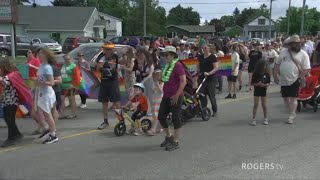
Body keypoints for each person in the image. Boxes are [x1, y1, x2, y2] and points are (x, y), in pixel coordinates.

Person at [274, 35, 311, 124]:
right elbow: (277, 64)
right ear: (290, 44)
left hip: (295, 79)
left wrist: (301, 77)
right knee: (285, 99)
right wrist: (275, 76)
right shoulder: (283, 52)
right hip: (283, 80)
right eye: (294, 44)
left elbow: (306, 68)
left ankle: (290, 116)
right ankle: (292, 111)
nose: (297, 45)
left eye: (298, 43)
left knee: (293, 98)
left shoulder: (303, 54)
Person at [158, 46, 187, 151]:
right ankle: (169, 136)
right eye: (164, 55)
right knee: (161, 116)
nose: (165, 57)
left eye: (167, 55)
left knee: (176, 119)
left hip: (176, 96)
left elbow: (183, 81)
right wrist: (160, 78)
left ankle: (176, 141)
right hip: (166, 95)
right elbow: (166, 79)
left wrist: (176, 95)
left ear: (172, 55)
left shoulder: (178, 65)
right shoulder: (167, 65)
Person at [0, 58, 32, 147]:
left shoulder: (10, 76)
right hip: (8, 101)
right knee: (9, 119)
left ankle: (11, 138)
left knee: (9, 119)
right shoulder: (13, 74)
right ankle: (17, 134)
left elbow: (4, 82)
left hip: (11, 101)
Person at [97, 42, 121, 130]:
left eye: (109, 49)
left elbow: (115, 66)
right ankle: (105, 121)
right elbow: (97, 67)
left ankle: (120, 120)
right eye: (106, 49)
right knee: (104, 102)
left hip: (113, 82)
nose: (107, 51)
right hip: (104, 81)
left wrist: (104, 65)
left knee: (117, 101)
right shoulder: (101, 57)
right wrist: (101, 65)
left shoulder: (115, 57)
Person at [36, 48, 58, 144]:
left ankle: (53, 135)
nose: (39, 55)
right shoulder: (41, 65)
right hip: (42, 92)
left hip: (47, 93)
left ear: (45, 55)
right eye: (39, 53)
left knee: (48, 115)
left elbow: (52, 82)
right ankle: (50, 131)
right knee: (46, 114)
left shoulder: (47, 67)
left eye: (41, 53)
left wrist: (43, 82)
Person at [198, 44, 219, 116]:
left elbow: (216, 67)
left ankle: (215, 111)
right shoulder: (200, 57)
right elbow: (198, 66)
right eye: (202, 48)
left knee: (211, 95)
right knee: (202, 95)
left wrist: (209, 73)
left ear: (209, 48)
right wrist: (196, 72)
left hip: (211, 78)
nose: (204, 49)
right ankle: (203, 110)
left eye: (205, 48)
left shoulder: (212, 57)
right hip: (202, 77)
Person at [251, 60, 271, 126]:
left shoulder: (267, 74)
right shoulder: (255, 73)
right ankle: (253, 119)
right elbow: (252, 83)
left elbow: (269, 82)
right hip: (257, 90)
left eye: (265, 65)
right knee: (256, 104)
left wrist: (266, 85)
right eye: (264, 65)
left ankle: (265, 118)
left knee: (264, 105)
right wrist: (258, 84)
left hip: (263, 90)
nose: (265, 67)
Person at [59, 54, 78, 119]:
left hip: (70, 85)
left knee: (72, 99)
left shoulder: (74, 66)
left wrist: (73, 84)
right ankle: (62, 114)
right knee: (62, 100)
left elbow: (77, 77)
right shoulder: (63, 66)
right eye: (66, 59)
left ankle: (73, 114)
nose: (67, 61)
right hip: (62, 85)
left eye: (68, 59)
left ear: (71, 59)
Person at [147, 69, 163, 136]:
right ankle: (159, 128)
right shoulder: (153, 82)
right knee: (155, 115)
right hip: (154, 100)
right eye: (156, 75)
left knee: (156, 115)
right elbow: (152, 91)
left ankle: (153, 129)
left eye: (159, 75)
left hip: (159, 100)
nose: (158, 77)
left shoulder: (162, 82)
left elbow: (161, 91)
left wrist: (157, 84)